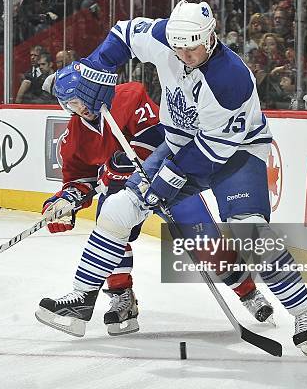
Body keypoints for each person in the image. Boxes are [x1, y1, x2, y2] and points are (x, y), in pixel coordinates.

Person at [36, 1, 307, 356]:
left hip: (236, 154)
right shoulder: (166, 37)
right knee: (116, 209)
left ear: (210, 36)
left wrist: (164, 182)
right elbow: (123, 33)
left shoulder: (230, 79)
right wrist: (98, 64)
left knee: (249, 231)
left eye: (193, 47)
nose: (185, 54)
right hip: (179, 143)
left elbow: (211, 152)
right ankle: (82, 299)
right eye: (179, 47)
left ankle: (305, 311)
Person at [37, 64, 277, 337]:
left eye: (81, 99)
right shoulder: (73, 139)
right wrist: (65, 201)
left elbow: (160, 137)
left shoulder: (129, 95)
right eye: (71, 104)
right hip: (124, 194)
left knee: (204, 241)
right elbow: (81, 180)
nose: (81, 108)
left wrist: (124, 165)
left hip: (169, 180)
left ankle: (247, 292)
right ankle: (121, 298)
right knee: (110, 228)